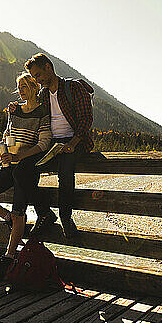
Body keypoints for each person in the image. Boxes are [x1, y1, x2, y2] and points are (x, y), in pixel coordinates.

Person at [0, 72, 52, 280]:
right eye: (19, 86)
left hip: (26, 168)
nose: (21, 89)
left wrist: (24, 153)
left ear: (34, 86)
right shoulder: (14, 111)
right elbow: (8, 135)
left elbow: (44, 143)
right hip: (9, 165)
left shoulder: (43, 112)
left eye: (25, 85)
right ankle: (7, 218)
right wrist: (4, 149)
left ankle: (8, 258)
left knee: (19, 213)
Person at [24, 53, 94, 239]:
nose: (37, 81)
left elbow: (86, 119)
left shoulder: (74, 88)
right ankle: (44, 213)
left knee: (65, 171)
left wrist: (72, 143)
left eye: (38, 75)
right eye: (34, 78)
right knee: (25, 169)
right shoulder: (43, 94)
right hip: (52, 144)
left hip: (75, 140)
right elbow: (34, 117)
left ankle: (65, 217)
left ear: (49, 67)